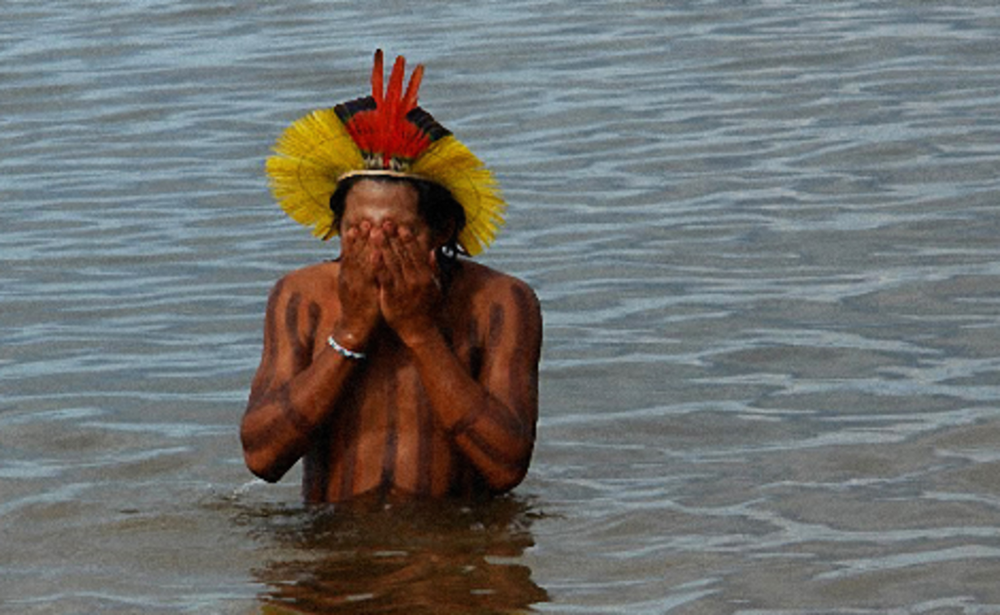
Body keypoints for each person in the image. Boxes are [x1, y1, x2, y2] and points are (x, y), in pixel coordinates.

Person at [241, 50, 542, 503]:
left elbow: (506, 467)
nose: (376, 248)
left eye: (397, 233)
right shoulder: (301, 297)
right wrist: (351, 332)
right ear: (336, 228)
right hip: (332, 554)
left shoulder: (499, 301)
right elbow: (262, 458)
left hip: (452, 555)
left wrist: (420, 332)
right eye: (359, 231)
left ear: (440, 232)